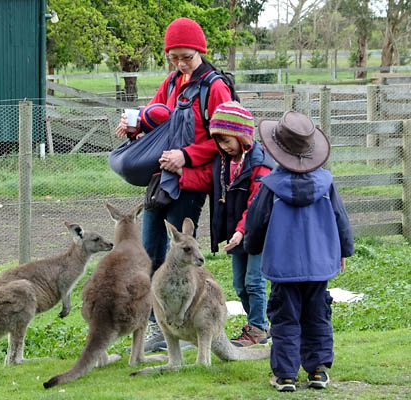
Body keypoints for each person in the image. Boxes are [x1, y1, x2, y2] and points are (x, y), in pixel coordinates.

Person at [116, 17, 233, 352]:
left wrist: (186, 156)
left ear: (200, 51)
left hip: (190, 183)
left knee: (181, 260)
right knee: (151, 255)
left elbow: (227, 138)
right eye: (174, 57)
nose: (181, 63)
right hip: (160, 182)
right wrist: (134, 128)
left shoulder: (215, 87)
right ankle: (158, 327)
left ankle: (190, 325)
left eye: (187, 56)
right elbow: (156, 123)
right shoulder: (170, 83)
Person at [243, 111, 355, 392]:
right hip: (319, 265)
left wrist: (253, 248)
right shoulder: (327, 184)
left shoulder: (270, 187)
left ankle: (285, 375)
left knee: (284, 317)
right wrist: (343, 251)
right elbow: (341, 220)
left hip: (282, 267)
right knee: (317, 315)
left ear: (278, 150)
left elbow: (255, 223)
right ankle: (318, 371)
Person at [204, 101, 275, 347]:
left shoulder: (259, 164)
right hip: (239, 234)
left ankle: (258, 328)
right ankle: (261, 324)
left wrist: (241, 231)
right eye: (219, 141)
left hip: (258, 232)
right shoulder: (226, 162)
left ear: (242, 136)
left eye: (227, 140)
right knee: (239, 283)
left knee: (253, 281)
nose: (223, 146)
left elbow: (257, 204)